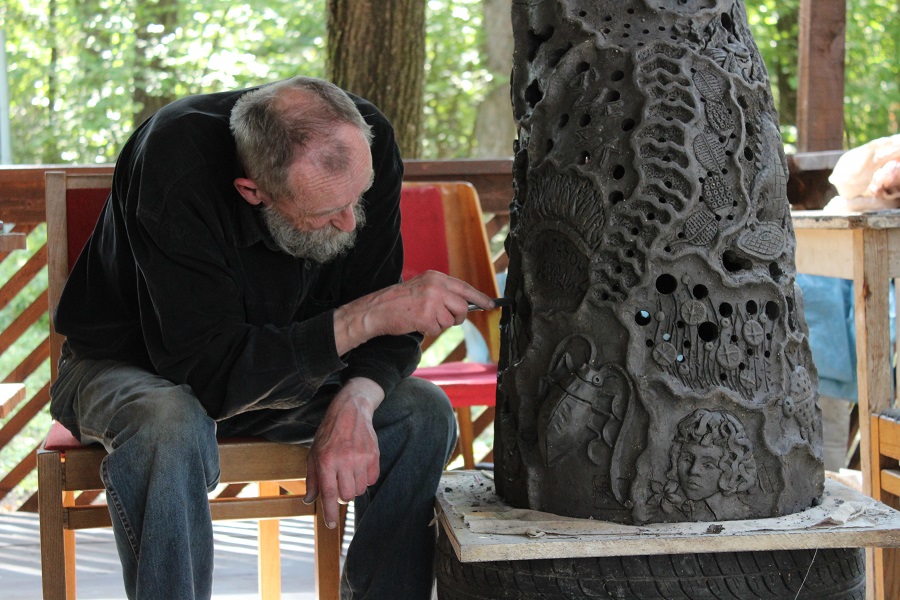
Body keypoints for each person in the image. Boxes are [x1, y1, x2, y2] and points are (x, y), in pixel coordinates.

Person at [49, 76, 494, 600]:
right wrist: (365, 317)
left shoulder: (363, 140)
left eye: (358, 198)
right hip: (131, 367)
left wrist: (356, 399)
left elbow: (384, 319)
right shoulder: (174, 160)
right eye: (324, 213)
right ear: (252, 191)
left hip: (282, 376)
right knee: (169, 423)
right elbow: (207, 376)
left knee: (421, 412)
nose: (349, 223)